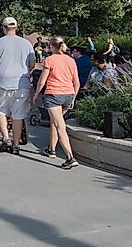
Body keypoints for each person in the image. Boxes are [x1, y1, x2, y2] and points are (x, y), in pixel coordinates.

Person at [0, 17, 36, 154]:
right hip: (22, 83)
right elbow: (32, 64)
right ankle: (16, 145)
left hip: (2, 82)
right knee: (18, 114)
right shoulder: (26, 44)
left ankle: (6, 138)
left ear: (3, 28)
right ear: (16, 28)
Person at [34, 37, 80, 169]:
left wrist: (36, 94)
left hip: (53, 94)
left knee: (60, 126)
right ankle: (51, 149)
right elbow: (76, 82)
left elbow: (42, 80)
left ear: (51, 46)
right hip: (68, 94)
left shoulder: (49, 60)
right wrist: (73, 98)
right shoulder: (71, 60)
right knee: (55, 121)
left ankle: (70, 157)